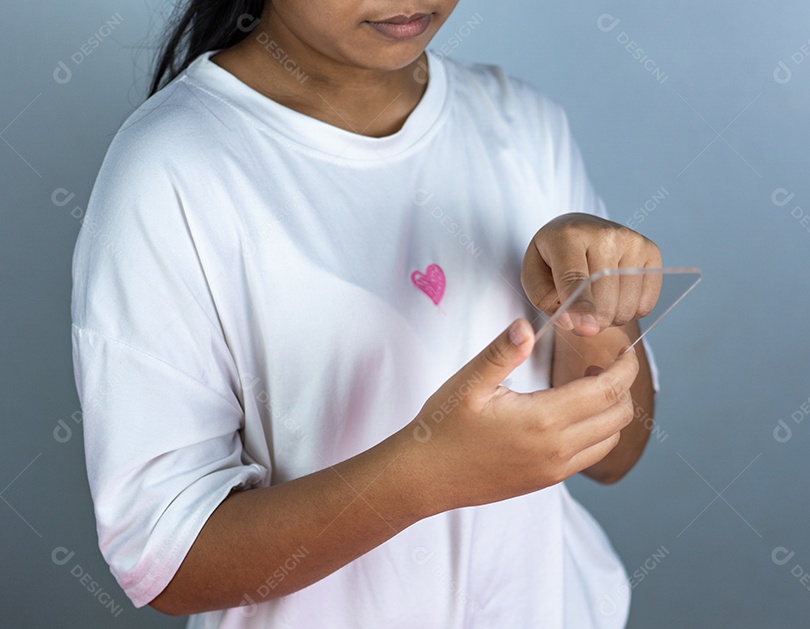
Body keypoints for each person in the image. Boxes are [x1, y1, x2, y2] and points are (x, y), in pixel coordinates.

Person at [70, 1, 663, 626]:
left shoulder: (520, 122)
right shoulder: (169, 170)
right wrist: (426, 475)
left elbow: (616, 456)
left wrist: (594, 299)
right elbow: (168, 562)